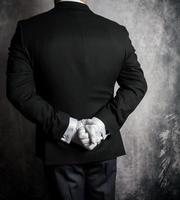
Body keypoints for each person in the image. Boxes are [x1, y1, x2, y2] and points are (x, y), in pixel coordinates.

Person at [6, 0, 148, 199]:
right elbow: (136, 85)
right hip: (104, 147)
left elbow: (19, 92)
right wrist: (100, 124)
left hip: (58, 151)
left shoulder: (27, 30)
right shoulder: (117, 32)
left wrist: (68, 128)